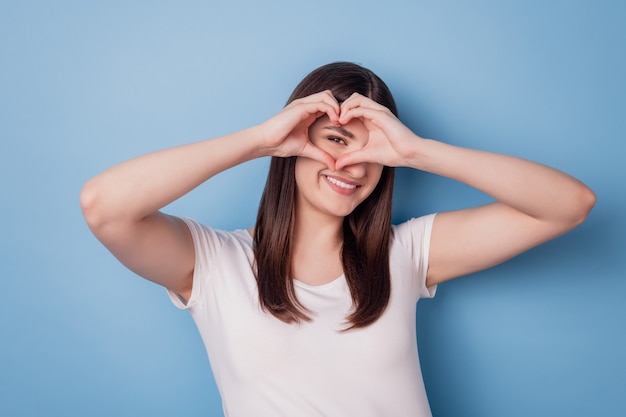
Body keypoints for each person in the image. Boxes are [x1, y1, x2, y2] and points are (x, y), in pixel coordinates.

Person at [80, 62, 596, 417]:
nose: (352, 166)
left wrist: (417, 151)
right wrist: (259, 141)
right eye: (335, 141)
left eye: (373, 154)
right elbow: (105, 206)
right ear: (296, 144)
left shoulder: (405, 253)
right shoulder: (216, 264)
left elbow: (569, 205)